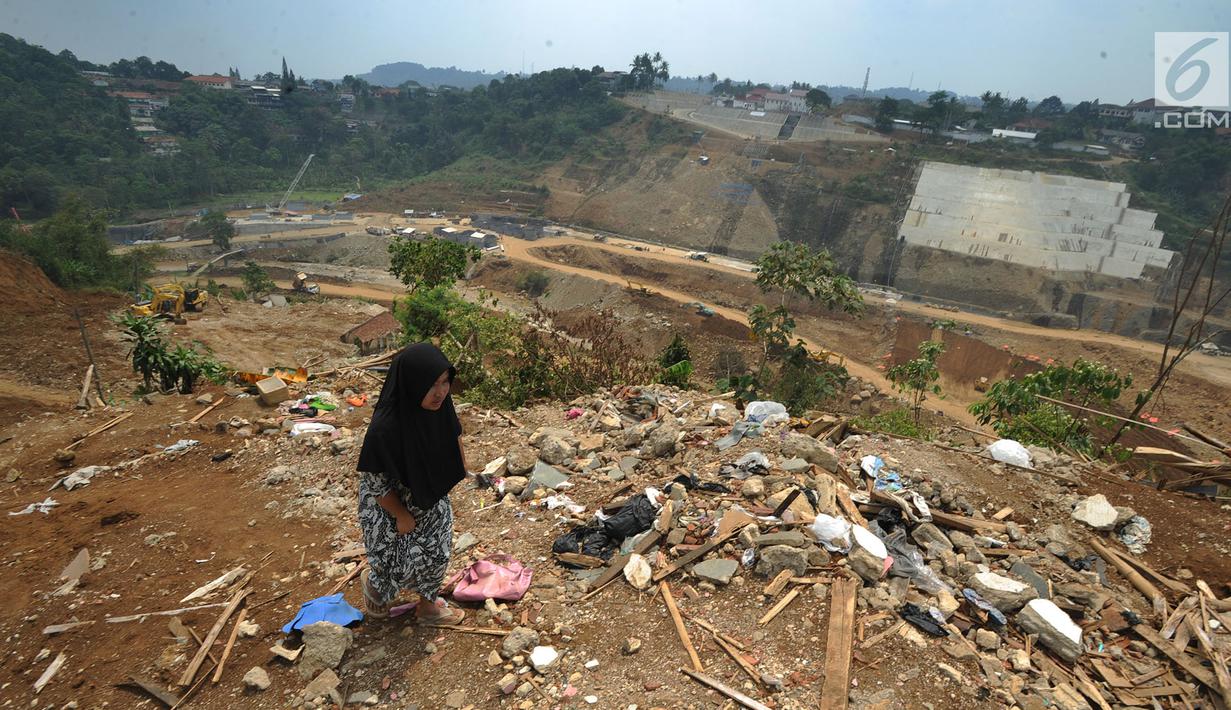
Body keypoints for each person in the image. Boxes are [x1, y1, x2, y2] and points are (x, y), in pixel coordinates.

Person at [356, 343, 470, 622]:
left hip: (429, 497)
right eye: (431, 384)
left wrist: (460, 469)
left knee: (437, 552)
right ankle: (375, 588)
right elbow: (375, 483)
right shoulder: (384, 429)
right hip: (389, 506)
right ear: (412, 384)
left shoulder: (440, 409)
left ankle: (428, 608)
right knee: (392, 562)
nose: (441, 392)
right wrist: (401, 515)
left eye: (445, 382)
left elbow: (454, 436)